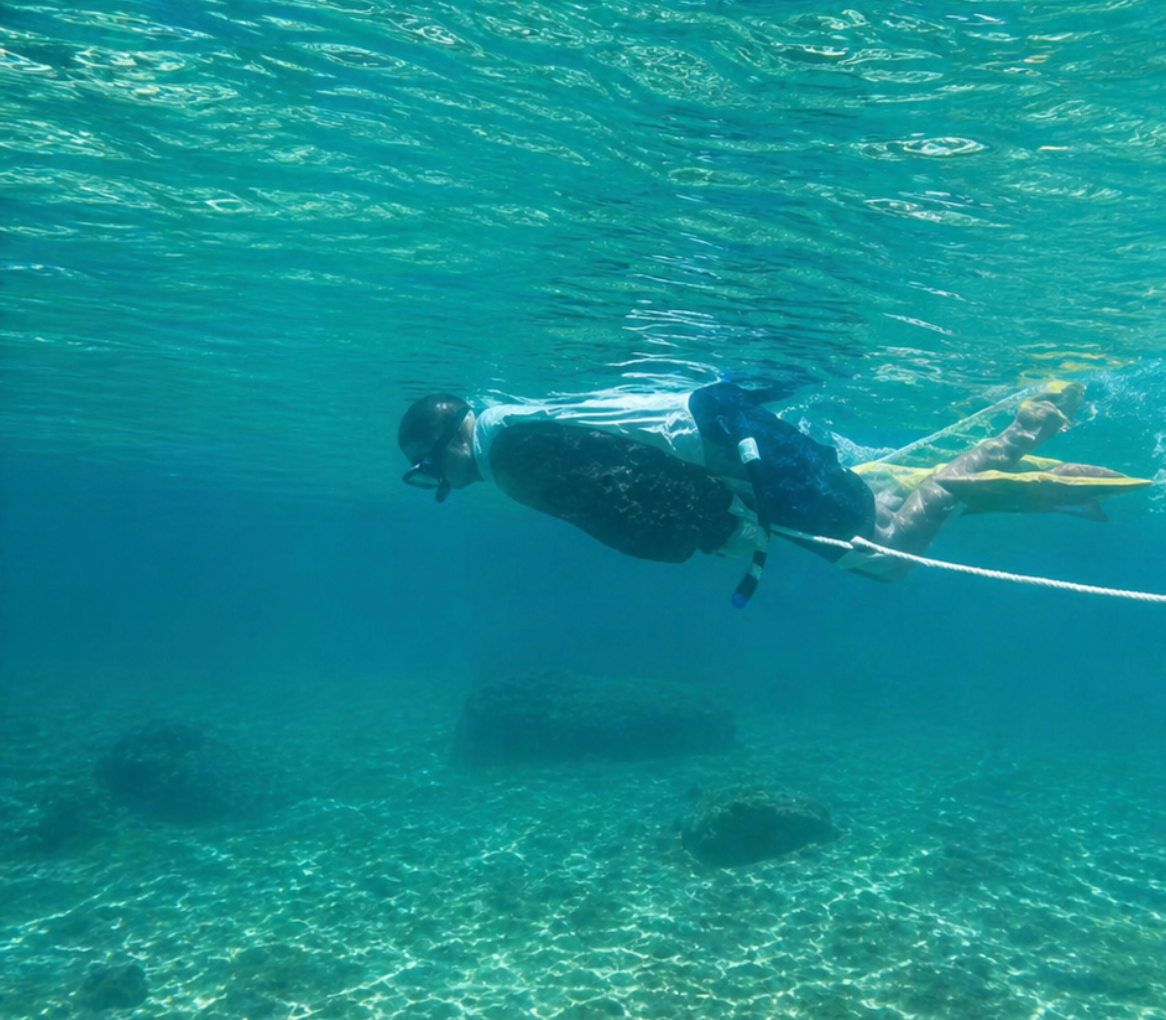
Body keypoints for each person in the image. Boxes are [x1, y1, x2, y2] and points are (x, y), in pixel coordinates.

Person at [397, 380, 1149, 605]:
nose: (439, 486)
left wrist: (715, 529)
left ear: (445, 444)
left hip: (740, 459)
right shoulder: (516, 418)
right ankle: (1028, 430)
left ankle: (986, 479)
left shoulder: (508, 456)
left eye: (427, 470)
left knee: (887, 557)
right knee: (878, 507)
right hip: (732, 429)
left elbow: (618, 487)